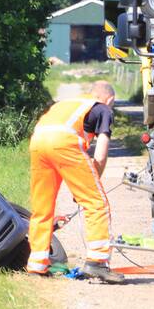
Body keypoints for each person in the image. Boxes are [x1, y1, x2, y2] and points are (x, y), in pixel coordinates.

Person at [25, 81, 124, 283]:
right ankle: (97, 262)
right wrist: (90, 183)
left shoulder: (68, 104)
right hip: (62, 143)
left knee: (42, 207)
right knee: (96, 203)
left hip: (37, 142)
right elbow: (101, 154)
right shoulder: (102, 108)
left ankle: (37, 265)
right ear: (110, 99)